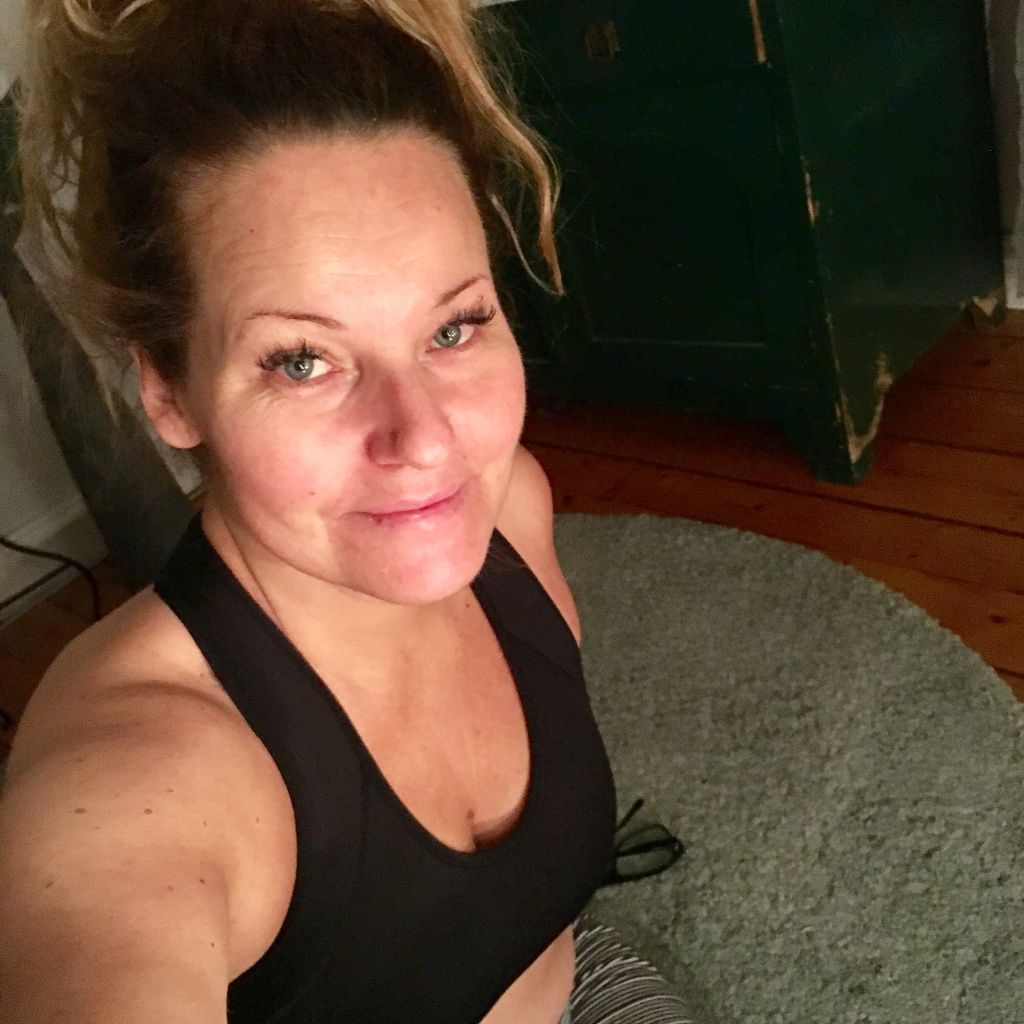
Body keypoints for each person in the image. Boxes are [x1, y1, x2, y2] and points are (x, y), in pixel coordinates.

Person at [0, 2, 696, 1022]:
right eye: (302, 360)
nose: (425, 438)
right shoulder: (139, 777)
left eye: (453, 327)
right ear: (169, 392)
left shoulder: (510, 506)